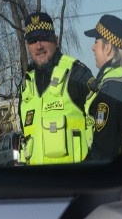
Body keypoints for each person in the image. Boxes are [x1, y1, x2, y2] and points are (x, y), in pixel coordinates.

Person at [18, 12, 94, 165]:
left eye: (44, 38)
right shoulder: (26, 86)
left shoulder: (76, 74)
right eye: (33, 40)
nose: (39, 46)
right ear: (27, 46)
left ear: (56, 40)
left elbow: (105, 129)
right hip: (38, 186)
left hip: (75, 183)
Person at [82, 14, 122, 162]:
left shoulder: (112, 90)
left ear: (108, 47)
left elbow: (102, 152)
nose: (92, 47)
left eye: (96, 41)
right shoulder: (120, 80)